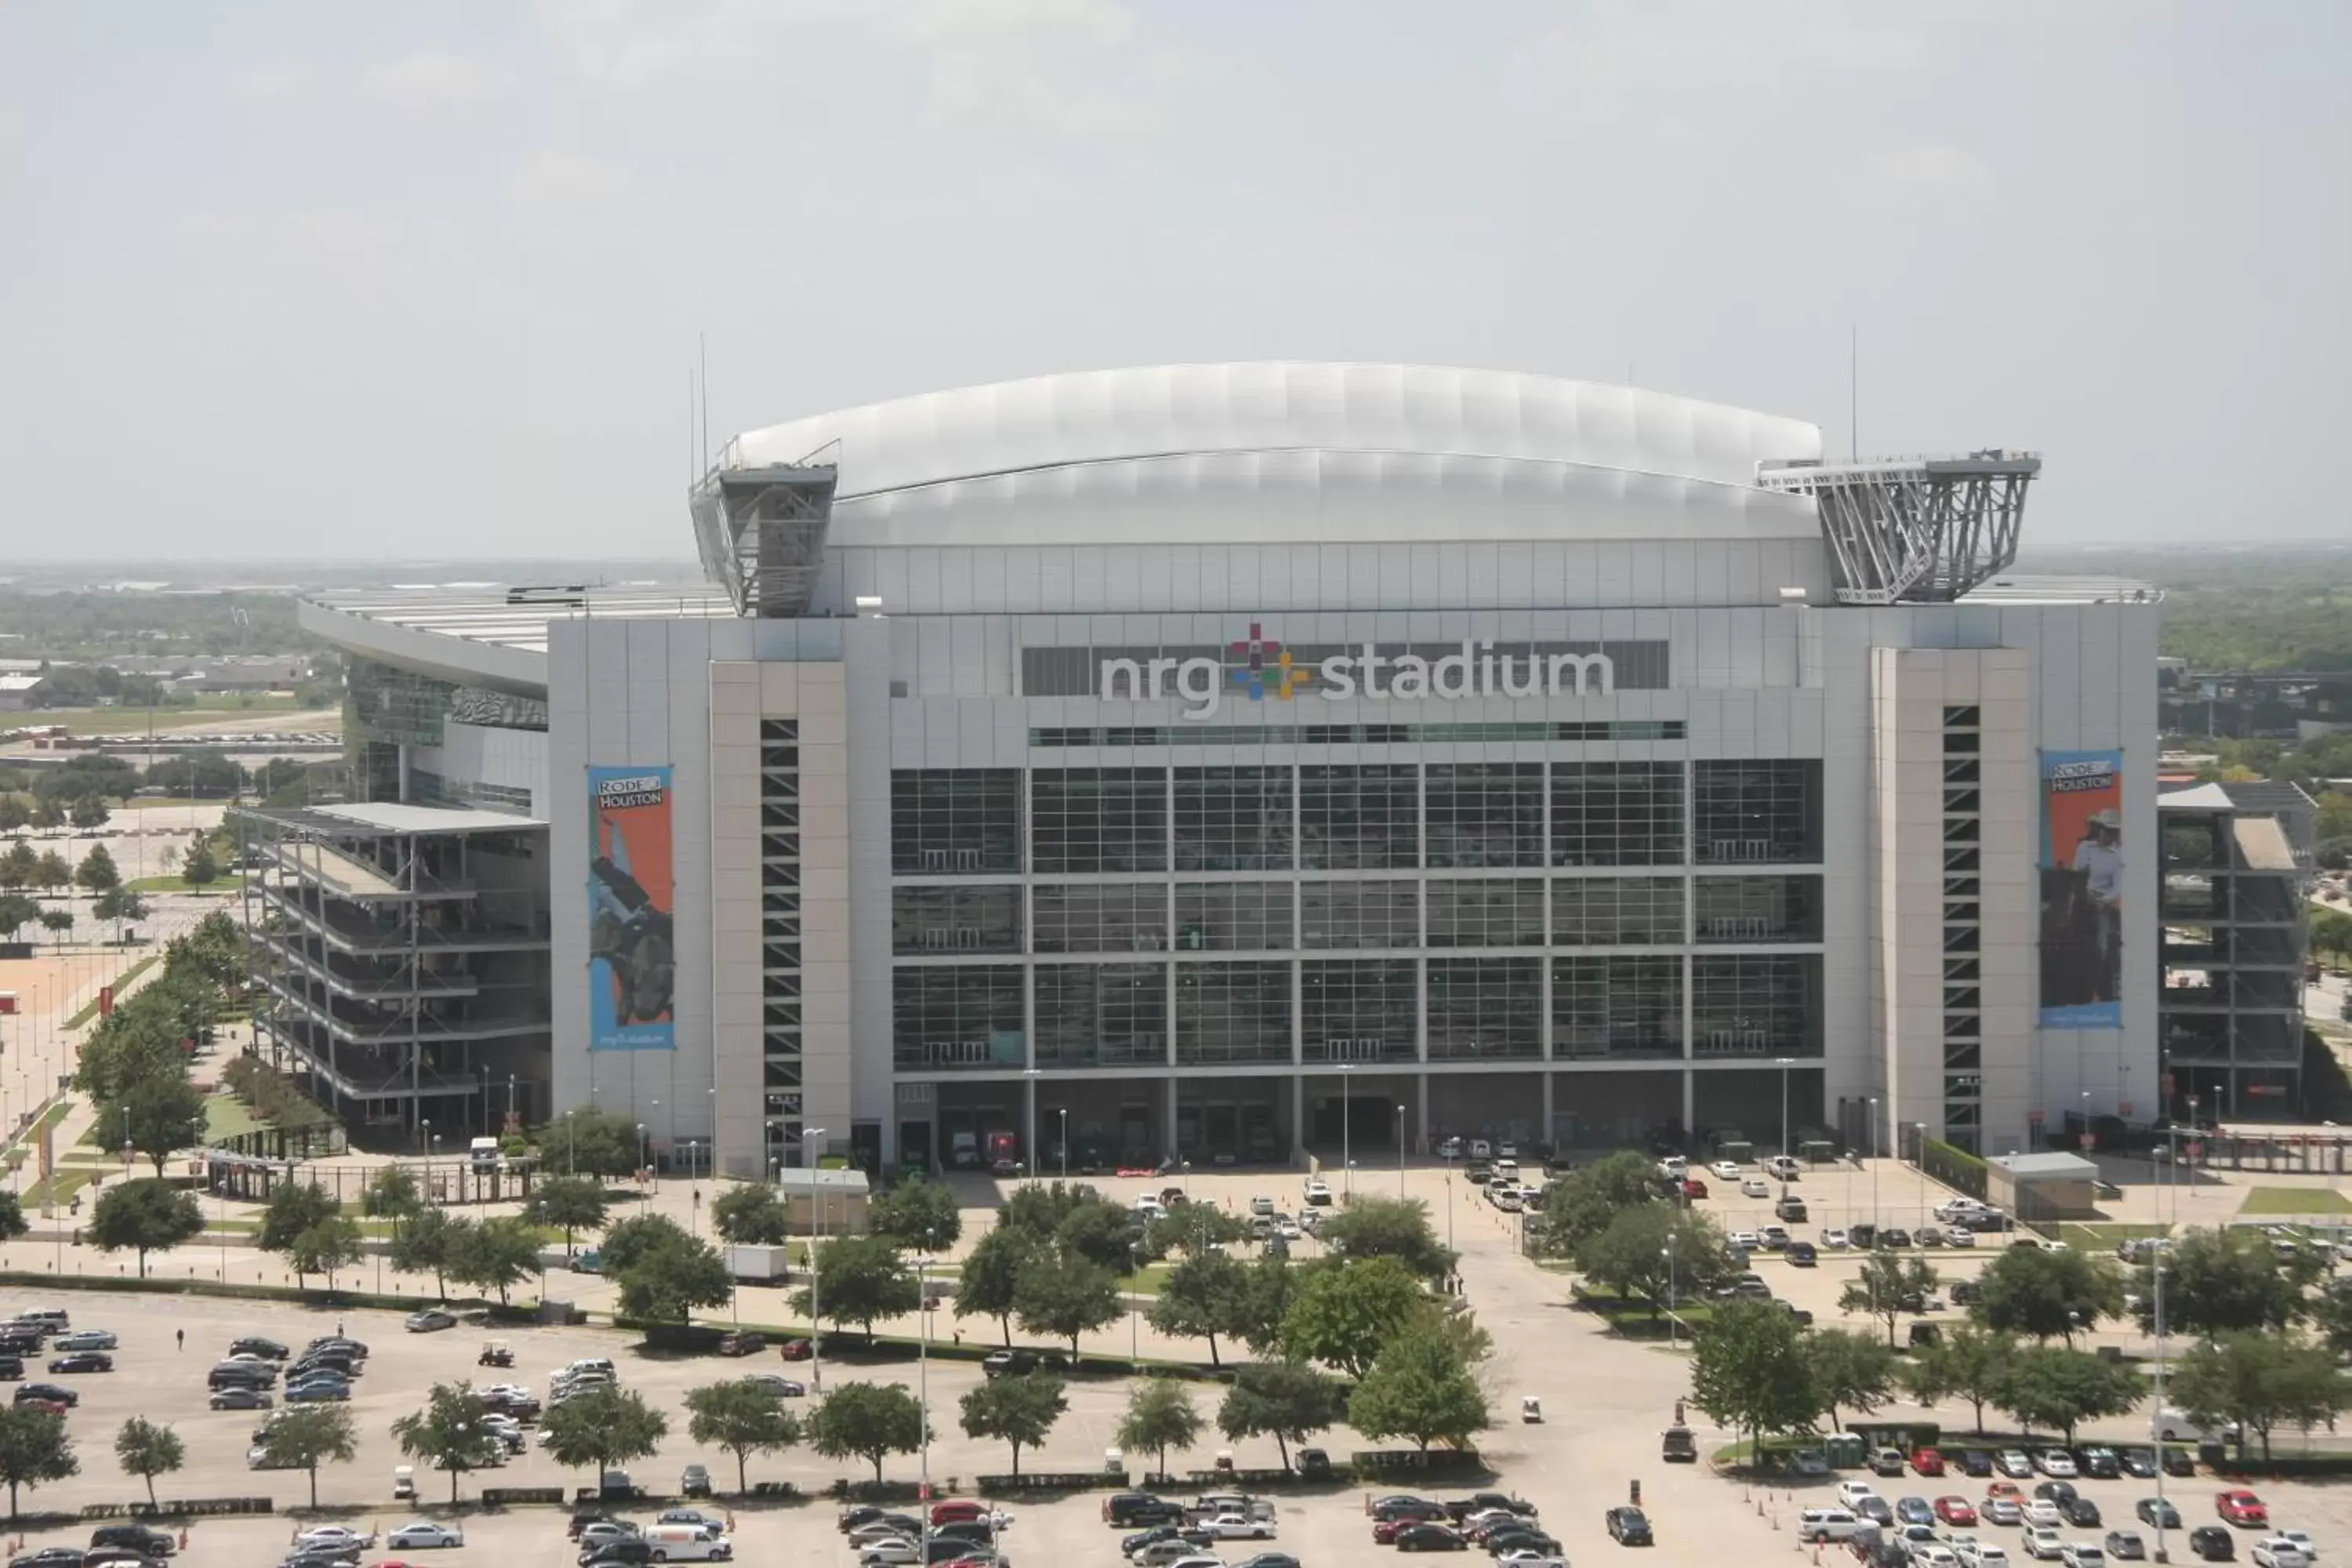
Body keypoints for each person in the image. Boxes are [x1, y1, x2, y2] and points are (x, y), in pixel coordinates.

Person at [2071, 808, 2125, 1003]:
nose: (2107, 834)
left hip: (2101, 904)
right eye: (2105, 829)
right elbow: (2076, 874)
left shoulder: (2119, 855)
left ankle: (2101, 979)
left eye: (2112, 831)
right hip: (2080, 898)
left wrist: (2102, 901)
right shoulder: (2084, 848)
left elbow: (2119, 886)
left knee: (2101, 944)